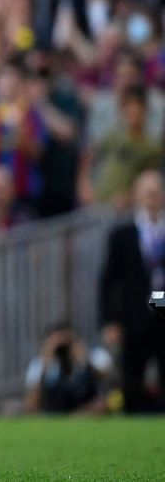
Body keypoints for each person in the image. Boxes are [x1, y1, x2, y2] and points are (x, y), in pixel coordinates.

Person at [99, 170, 165, 414]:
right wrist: (110, 321)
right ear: (136, 196)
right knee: (132, 375)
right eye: (146, 191)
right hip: (135, 313)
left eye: (156, 190)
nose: (152, 195)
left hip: (162, 305)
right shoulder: (122, 234)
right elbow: (108, 281)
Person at [23, 323, 113, 414]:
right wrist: (46, 363)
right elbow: (31, 403)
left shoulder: (94, 356)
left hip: (86, 410)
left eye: (68, 342)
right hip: (54, 411)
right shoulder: (39, 363)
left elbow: (108, 383)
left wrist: (85, 361)